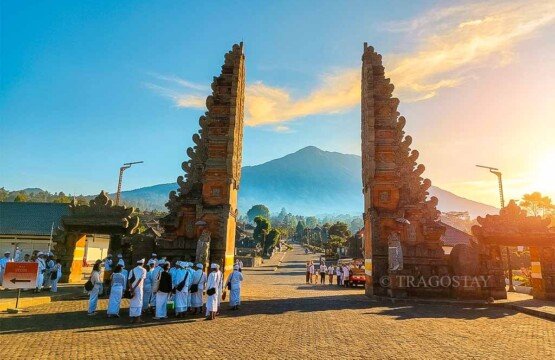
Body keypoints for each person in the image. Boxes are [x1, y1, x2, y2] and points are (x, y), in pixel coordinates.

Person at [128, 259, 147, 323]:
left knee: (132, 303)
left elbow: (129, 280)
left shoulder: (132, 270)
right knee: (139, 303)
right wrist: (134, 288)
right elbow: (140, 280)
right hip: (139, 288)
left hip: (132, 288)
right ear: (142, 264)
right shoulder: (143, 270)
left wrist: (131, 289)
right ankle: (138, 318)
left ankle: (132, 318)